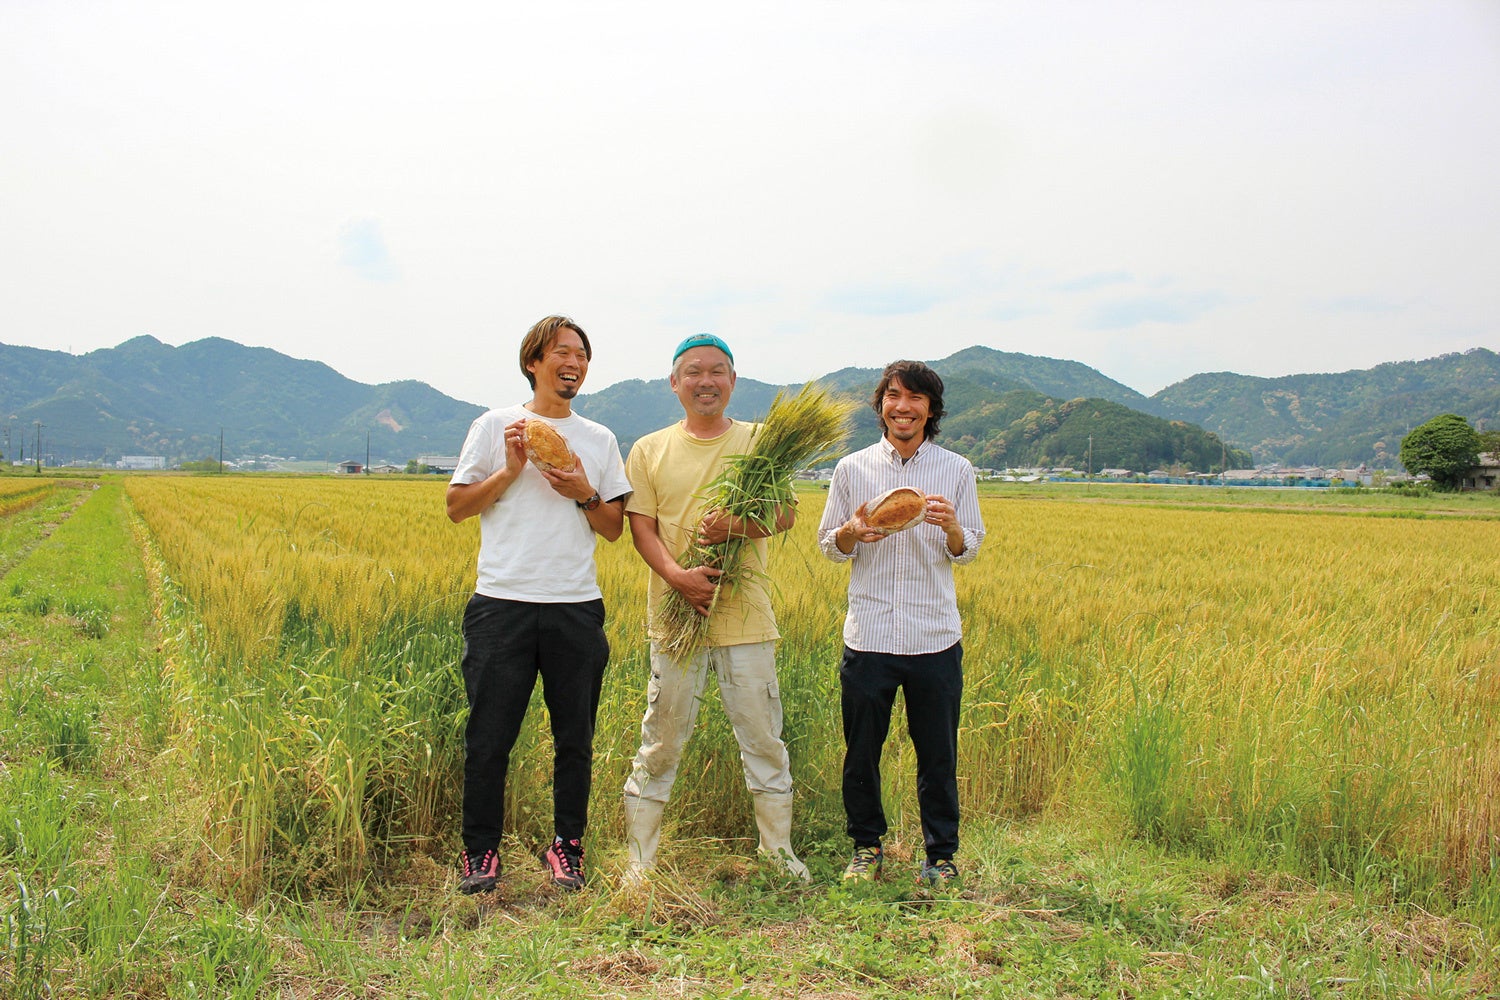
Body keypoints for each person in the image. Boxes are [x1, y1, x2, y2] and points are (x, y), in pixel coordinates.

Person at [446, 315, 631, 894]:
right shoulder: (497, 426)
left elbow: (613, 528)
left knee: (575, 737)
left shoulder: (598, 440)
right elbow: (456, 507)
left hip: (575, 606)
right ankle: (481, 852)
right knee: (488, 736)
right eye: (562, 353)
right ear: (534, 361)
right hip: (501, 603)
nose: (573, 363)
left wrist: (585, 492)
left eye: (581, 355)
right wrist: (510, 470)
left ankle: (567, 847)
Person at [620, 333, 810, 883]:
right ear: (674, 382)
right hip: (675, 620)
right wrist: (680, 579)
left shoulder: (764, 441)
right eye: (694, 372)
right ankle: (640, 860)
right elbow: (642, 526)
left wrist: (736, 527)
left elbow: (784, 516)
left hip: (747, 620)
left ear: (733, 379)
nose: (707, 381)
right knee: (662, 737)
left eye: (718, 371)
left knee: (763, 737)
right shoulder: (649, 449)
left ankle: (778, 852)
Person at [816, 359, 986, 887]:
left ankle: (941, 856)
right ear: (881, 405)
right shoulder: (853, 469)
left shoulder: (955, 470)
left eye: (914, 398)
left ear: (930, 409)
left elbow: (968, 550)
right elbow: (829, 546)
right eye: (893, 396)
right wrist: (852, 530)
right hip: (869, 635)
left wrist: (953, 526)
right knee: (861, 751)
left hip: (934, 635)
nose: (902, 406)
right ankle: (866, 847)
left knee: (938, 753)